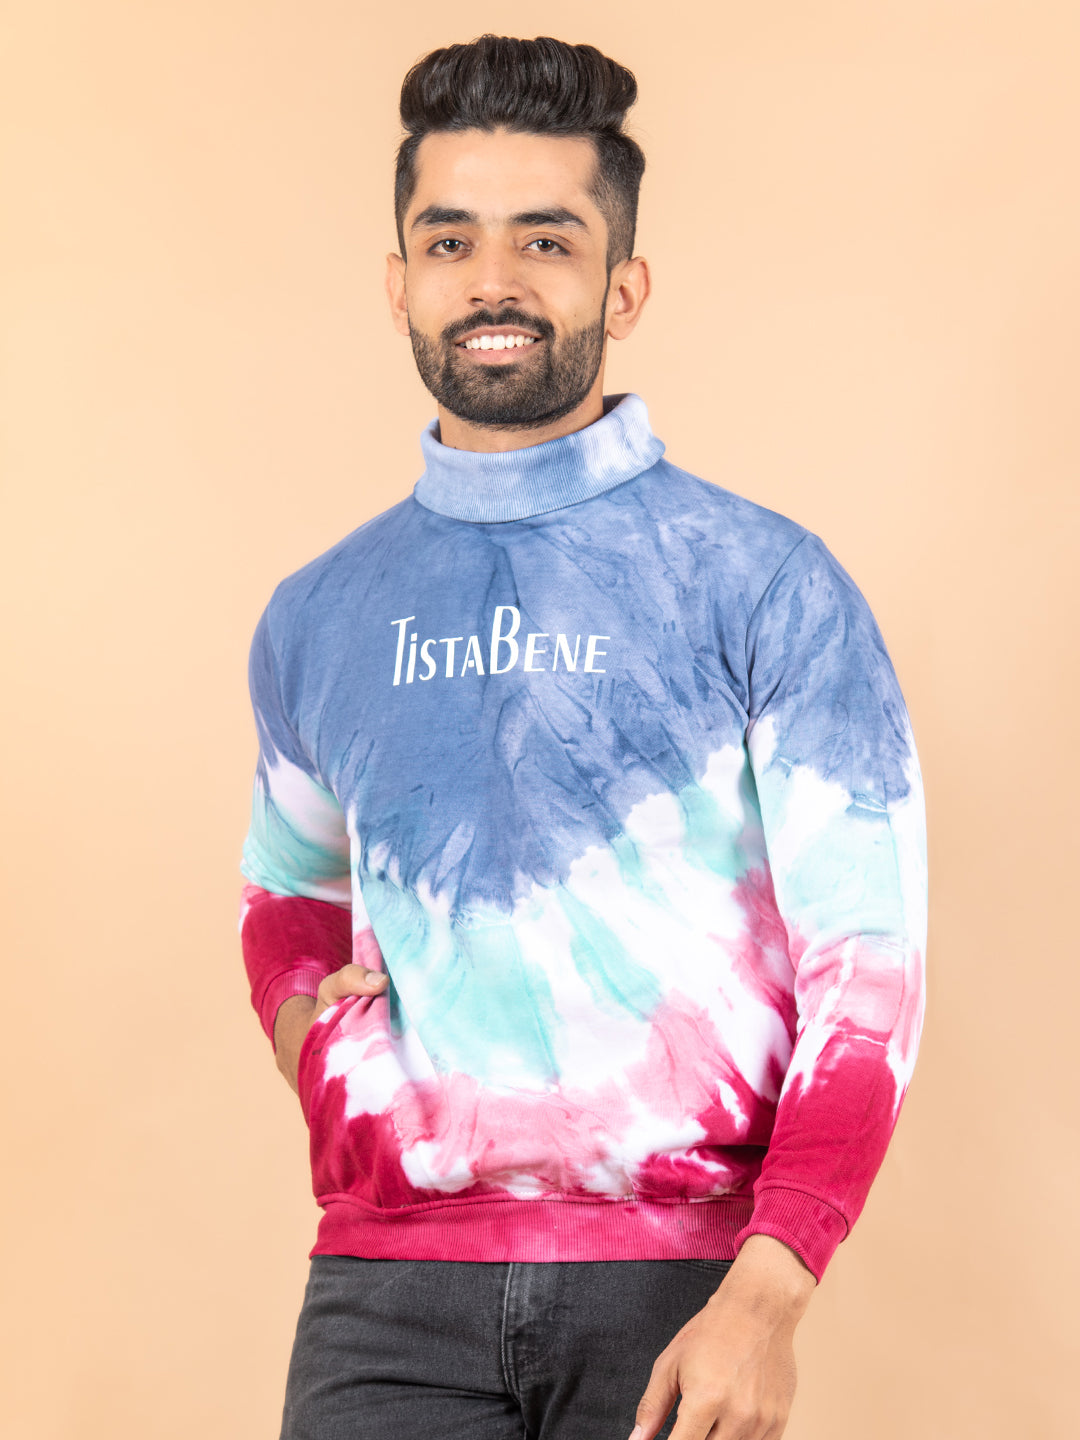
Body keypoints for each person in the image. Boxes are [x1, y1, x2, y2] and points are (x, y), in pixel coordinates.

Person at [240, 34, 926, 1440]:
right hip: (381, 1303)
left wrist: (765, 1297)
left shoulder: (765, 583)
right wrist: (320, 1047)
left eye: (544, 240)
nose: (493, 280)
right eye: (451, 241)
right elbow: (283, 896)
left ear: (623, 287)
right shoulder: (318, 612)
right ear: (399, 284)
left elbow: (868, 971)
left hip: (676, 1292)